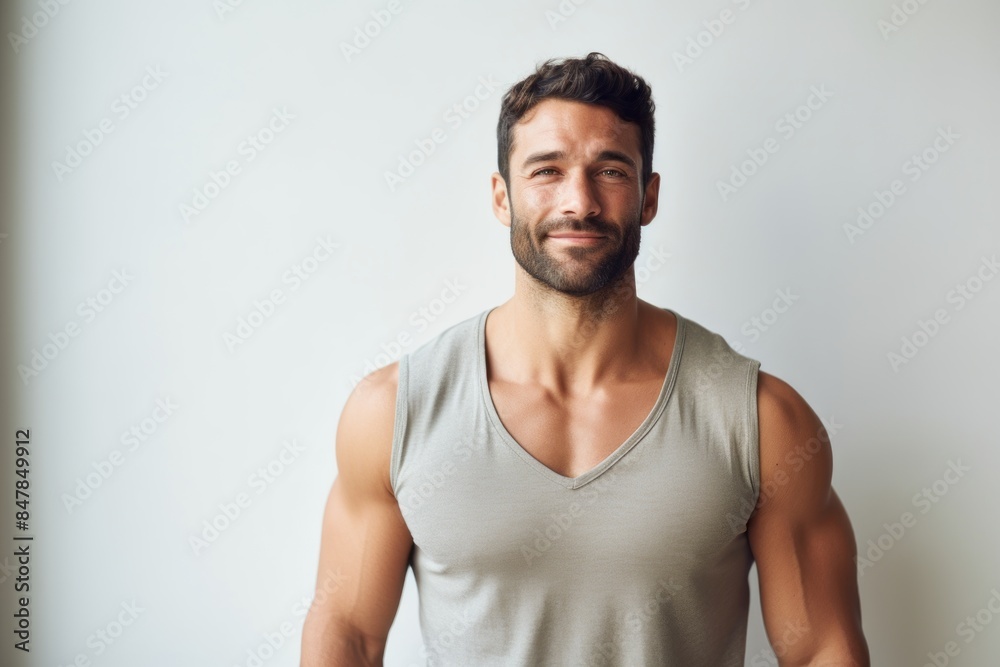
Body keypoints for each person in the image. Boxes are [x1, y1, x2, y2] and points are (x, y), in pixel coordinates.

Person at [300, 52, 869, 666]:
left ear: (649, 197)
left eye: (611, 171)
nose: (580, 201)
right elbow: (350, 635)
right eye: (546, 170)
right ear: (501, 197)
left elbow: (820, 650)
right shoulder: (394, 412)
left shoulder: (762, 421)